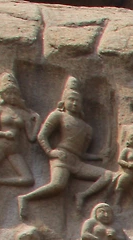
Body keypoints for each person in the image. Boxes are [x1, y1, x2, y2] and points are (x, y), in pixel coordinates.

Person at [18, 77, 113, 217]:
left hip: (77, 162)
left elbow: (82, 154)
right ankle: (25, 198)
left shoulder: (87, 128)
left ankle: (82, 195)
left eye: (77, 101)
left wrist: (99, 156)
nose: (74, 103)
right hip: (61, 157)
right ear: (64, 101)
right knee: (58, 185)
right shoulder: (58, 116)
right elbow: (42, 136)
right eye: (71, 100)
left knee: (107, 175)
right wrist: (50, 152)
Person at [0, 72, 37, 197]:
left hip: (14, 150)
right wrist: (3, 134)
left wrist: (37, 120)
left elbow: (31, 137)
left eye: (14, 93)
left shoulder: (22, 112)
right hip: (0, 145)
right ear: (2, 94)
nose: (11, 96)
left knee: (28, 179)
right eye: (8, 93)